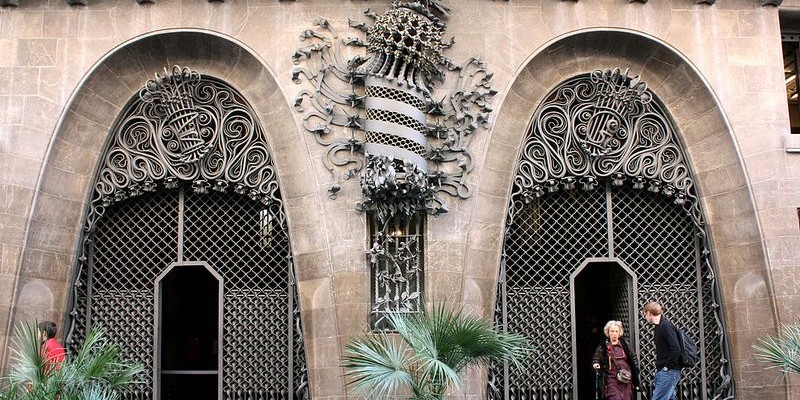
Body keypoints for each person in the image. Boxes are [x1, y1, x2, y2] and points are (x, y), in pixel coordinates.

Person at [592, 320, 639, 399]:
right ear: (608, 332)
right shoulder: (603, 345)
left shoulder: (625, 344)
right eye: (612, 331)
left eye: (616, 331)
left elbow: (633, 358)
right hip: (611, 378)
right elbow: (597, 358)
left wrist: (634, 371)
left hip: (625, 377)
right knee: (614, 396)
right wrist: (596, 364)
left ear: (619, 333)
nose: (614, 334)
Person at [643, 302, 681, 400]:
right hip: (664, 371)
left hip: (668, 371)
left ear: (649, 313)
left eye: (645, 314)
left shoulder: (665, 325)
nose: (645, 317)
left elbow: (676, 349)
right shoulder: (658, 327)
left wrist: (666, 367)